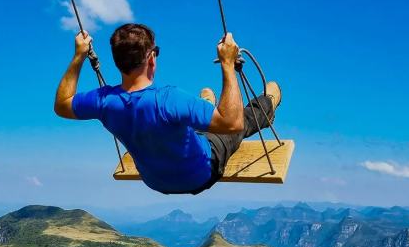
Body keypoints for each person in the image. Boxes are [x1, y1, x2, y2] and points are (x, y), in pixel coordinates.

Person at [54, 23, 281, 195]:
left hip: (156, 182)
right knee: (235, 126)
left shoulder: (103, 101)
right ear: (151, 58)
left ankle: (205, 107)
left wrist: (79, 56)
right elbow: (232, 123)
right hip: (200, 175)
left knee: (183, 124)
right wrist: (228, 63)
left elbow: (62, 105)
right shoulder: (169, 99)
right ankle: (267, 104)